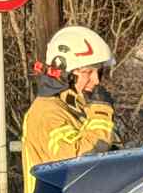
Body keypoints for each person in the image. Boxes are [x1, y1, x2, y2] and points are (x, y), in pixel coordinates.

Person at [21, 25, 117, 172]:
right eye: (88, 72)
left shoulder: (75, 108)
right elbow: (78, 162)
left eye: (99, 72)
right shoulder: (46, 113)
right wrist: (101, 114)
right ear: (66, 74)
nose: (96, 80)